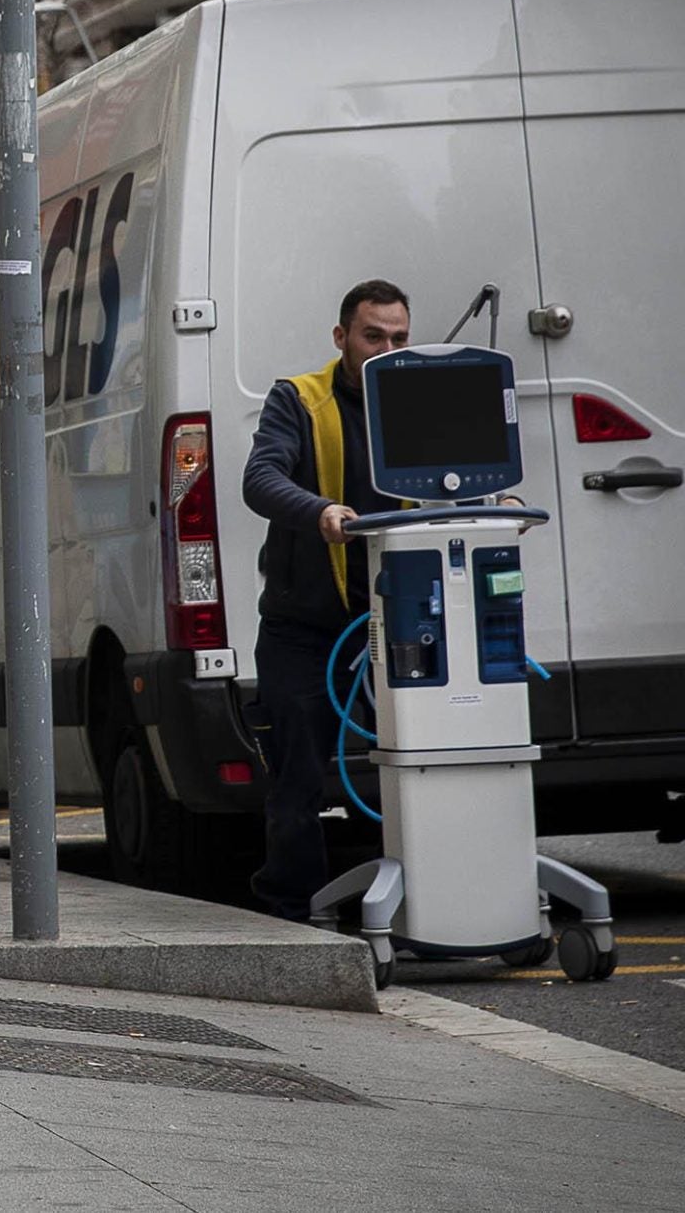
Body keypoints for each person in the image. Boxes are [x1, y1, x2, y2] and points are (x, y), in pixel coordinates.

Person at [239, 279, 410, 922]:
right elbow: (261, 480)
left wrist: (498, 500)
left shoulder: (418, 399)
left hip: (398, 620)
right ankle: (293, 910)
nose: (386, 349)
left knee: (413, 762)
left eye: (398, 338)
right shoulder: (299, 399)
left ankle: (412, 898)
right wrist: (319, 512)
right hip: (305, 627)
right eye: (373, 336)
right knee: (297, 772)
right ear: (341, 339)